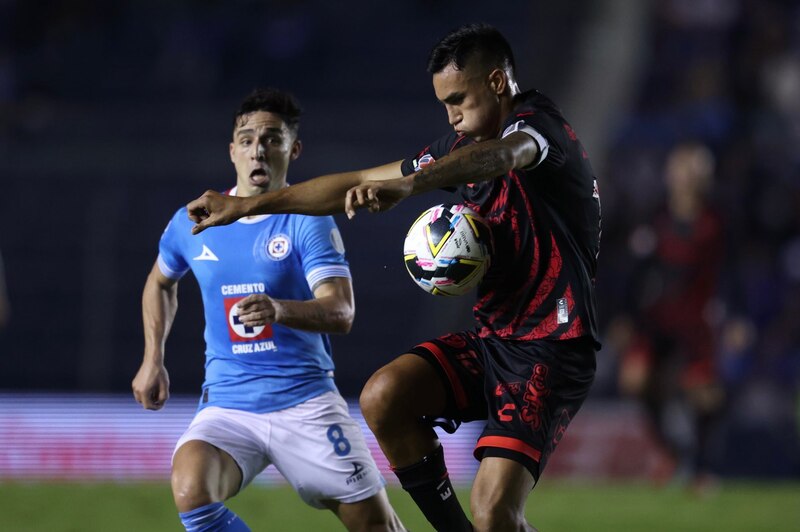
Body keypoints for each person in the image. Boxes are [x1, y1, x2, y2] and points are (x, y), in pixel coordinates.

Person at [188, 24, 601, 532]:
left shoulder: (539, 129)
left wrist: (410, 185)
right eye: (444, 105)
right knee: (384, 396)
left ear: (497, 82)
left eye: (458, 100)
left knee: (495, 511)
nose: (451, 116)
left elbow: (504, 156)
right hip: (494, 342)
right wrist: (247, 205)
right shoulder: (460, 144)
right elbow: (357, 182)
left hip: (551, 348)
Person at [132, 88, 404, 532]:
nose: (258, 148)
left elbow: (342, 312)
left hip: (306, 403)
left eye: (272, 139)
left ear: (293, 150)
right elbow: (160, 282)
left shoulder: (308, 220)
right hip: (228, 406)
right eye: (247, 138)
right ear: (232, 150)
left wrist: (280, 309)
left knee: (377, 526)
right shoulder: (194, 220)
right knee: (190, 489)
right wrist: (152, 359)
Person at [616, 141, 725, 489]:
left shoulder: (718, 221)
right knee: (635, 380)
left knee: (704, 392)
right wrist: (625, 317)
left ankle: (701, 468)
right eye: (680, 169)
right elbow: (633, 272)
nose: (686, 177)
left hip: (696, 319)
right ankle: (672, 451)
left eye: (693, 169)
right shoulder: (654, 216)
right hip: (657, 319)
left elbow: (731, 271)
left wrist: (736, 315)